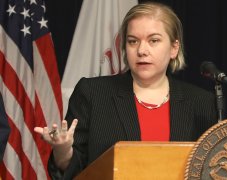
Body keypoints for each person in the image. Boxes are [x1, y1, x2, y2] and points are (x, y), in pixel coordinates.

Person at [34, 1, 217, 179]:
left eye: (153, 40)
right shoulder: (93, 94)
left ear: (174, 48)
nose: (142, 50)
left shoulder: (201, 103)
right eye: (133, 41)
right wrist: (63, 150)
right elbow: (73, 170)